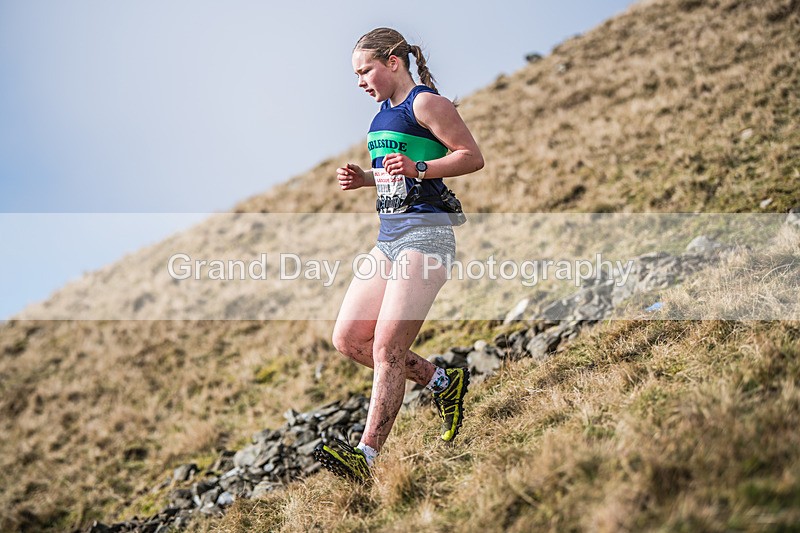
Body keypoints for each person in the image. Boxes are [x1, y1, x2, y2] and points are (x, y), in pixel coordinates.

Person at [313, 27, 484, 482]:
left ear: (393, 61)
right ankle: (444, 383)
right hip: (388, 241)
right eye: (355, 75)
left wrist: (420, 167)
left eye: (364, 70)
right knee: (349, 340)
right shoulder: (381, 118)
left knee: (388, 348)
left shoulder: (426, 103)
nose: (360, 82)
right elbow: (395, 173)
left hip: (427, 238)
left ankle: (365, 457)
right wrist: (365, 179)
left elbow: (471, 156)